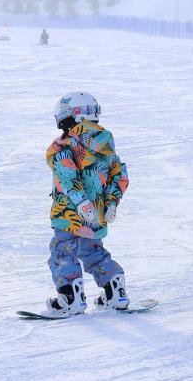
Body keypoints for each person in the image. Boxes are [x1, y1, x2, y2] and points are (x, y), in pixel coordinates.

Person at [43, 91, 130, 316]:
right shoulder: (105, 145)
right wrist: (111, 203)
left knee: (62, 251)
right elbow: (119, 174)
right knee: (92, 252)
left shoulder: (64, 145)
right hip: (97, 213)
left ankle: (70, 298)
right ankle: (115, 292)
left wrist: (81, 204)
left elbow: (66, 174)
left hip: (69, 212)